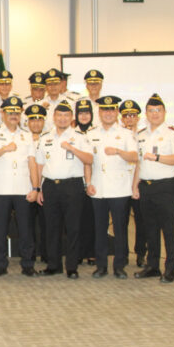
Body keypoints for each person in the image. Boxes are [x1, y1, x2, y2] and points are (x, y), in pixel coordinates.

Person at [35, 99, 93, 278]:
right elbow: (39, 165)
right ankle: (53, 265)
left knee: (73, 227)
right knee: (52, 228)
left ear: (72, 118)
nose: (62, 118)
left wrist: (72, 149)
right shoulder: (45, 138)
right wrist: (38, 188)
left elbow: (89, 160)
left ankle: (72, 267)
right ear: (53, 117)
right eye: (59, 115)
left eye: (66, 115)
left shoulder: (80, 137)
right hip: (50, 186)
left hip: (72, 186)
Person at [0, 96, 39, 277]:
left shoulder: (27, 135)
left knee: (25, 229)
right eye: (10, 112)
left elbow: (32, 163)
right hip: (0, 189)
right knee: (0, 229)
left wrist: (36, 188)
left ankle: (28, 264)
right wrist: (3, 149)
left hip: (23, 189)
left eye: (17, 112)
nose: (14, 115)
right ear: (2, 113)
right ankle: (0, 264)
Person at [133, 93, 174, 283]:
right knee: (150, 229)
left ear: (164, 112)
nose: (154, 114)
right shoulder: (140, 135)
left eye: (158, 110)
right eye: (151, 110)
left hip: (166, 186)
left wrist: (157, 157)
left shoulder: (173, 134)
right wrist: (135, 186)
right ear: (146, 113)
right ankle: (152, 266)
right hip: (146, 186)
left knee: (169, 229)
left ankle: (170, 269)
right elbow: (139, 163)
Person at [84, 95, 138, 279]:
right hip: (98, 187)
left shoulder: (126, 134)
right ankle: (101, 266)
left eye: (111, 110)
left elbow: (134, 157)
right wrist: (88, 183)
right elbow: (88, 162)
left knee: (120, 229)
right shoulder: (91, 134)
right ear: (99, 112)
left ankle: (119, 266)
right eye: (104, 110)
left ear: (116, 112)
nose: (108, 113)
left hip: (119, 188)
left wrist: (118, 151)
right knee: (99, 229)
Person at [120, 99, 147, 267]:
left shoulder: (145, 136)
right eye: (126, 116)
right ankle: (122, 254)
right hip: (122, 184)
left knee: (141, 222)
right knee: (121, 222)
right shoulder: (117, 136)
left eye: (132, 115)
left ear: (138, 117)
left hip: (139, 184)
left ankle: (141, 253)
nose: (129, 118)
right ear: (121, 118)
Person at [25, 103, 48, 263]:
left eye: (39, 120)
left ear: (44, 122)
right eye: (32, 120)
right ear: (28, 122)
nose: (36, 123)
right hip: (27, 187)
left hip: (46, 187)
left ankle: (47, 254)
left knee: (47, 223)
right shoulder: (23, 138)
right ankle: (30, 255)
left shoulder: (49, 138)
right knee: (28, 224)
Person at [75, 99, 96, 266]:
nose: (84, 116)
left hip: (94, 183)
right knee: (77, 220)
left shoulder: (97, 133)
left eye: (87, 113)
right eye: (80, 113)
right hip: (76, 182)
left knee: (92, 220)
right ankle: (78, 252)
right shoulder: (71, 133)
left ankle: (92, 252)